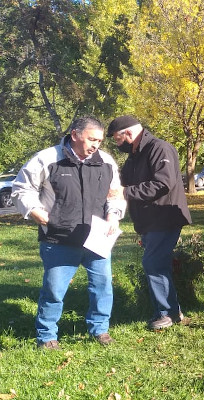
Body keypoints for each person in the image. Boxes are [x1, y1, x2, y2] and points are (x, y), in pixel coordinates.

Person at [12, 116, 126, 349]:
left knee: (102, 286)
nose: (96, 145)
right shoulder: (47, 159)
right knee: (53, 290)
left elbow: (115, 194)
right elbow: (22, 188)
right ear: (75, 135)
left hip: (97, 239)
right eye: (91, 139)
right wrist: (37, 213)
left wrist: (114, 214)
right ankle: (46, 336)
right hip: (59, 239)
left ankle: (100, 329)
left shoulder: (105, 161)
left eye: (100, 141)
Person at [107, 115, 192, 330]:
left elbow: (162, 184)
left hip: (165, 216)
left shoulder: (159, 148)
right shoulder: (136, 154)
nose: (118, 145)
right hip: (149, 220)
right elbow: (124, 179)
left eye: (118, 139)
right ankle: (173, 311)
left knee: (153, 263)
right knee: (158, 263)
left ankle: (167, 313)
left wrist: (125, 192)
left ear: (128, 133)